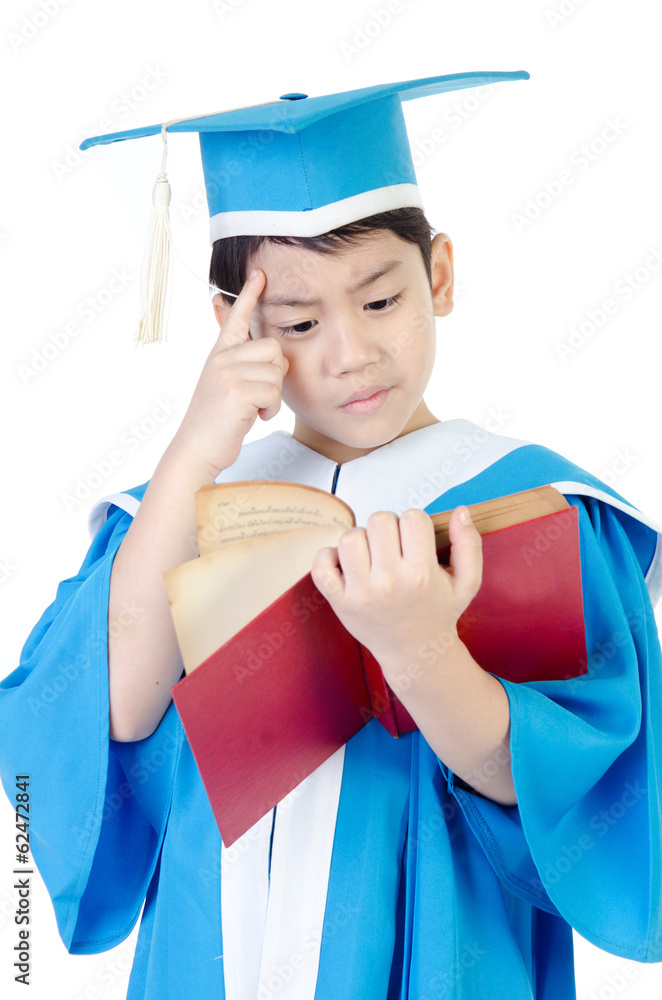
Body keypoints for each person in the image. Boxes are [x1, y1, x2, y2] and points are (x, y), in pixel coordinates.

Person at [1, 71, 662, 1000]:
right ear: (232, 327)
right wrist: (194, 450)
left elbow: (566, 792)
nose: (350, 352)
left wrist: (419, 649)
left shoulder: (537, 507)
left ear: (438, 274)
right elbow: (103, 720)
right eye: (300, 322)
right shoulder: (184, 511)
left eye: (382, 301)